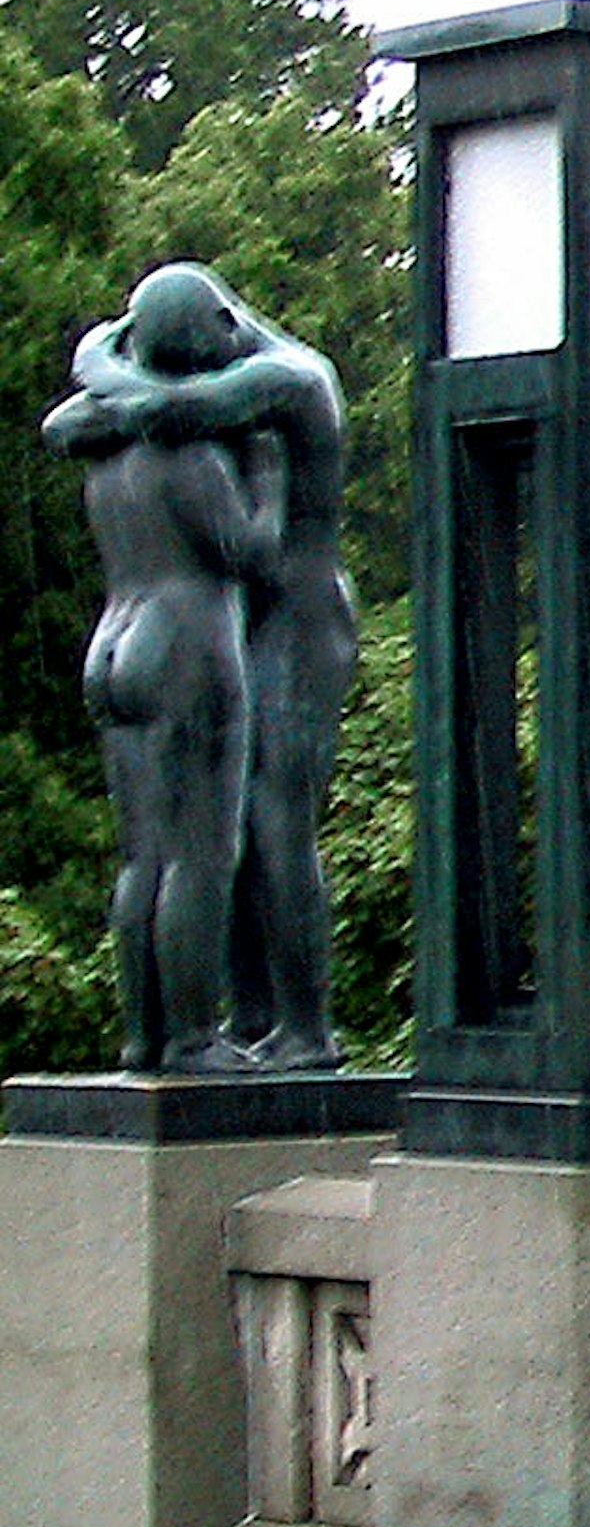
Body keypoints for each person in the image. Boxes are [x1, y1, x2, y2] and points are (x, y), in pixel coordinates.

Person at [48, 266, 358, 1066]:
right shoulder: (206, 433)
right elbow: (74, 424)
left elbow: (158, 410)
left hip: (297, 617)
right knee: (205, 839)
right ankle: (231, 1022)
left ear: (227, 324)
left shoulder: (291, 377)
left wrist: (106, 364)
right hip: (210, 618)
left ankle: (303, 1027)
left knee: (276, 822)